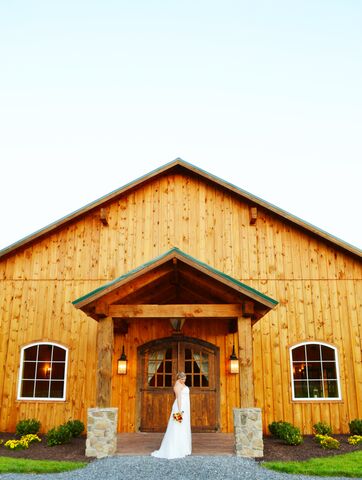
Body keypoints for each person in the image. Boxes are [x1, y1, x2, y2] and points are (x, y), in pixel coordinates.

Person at [151, 371, 192, 459]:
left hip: (185, 407)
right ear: (178, 378)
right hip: (178, 408)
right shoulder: (177, 386)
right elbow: (178, 398)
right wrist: (180, 410)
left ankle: (184, 448)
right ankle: (175, 448)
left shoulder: (183, 384)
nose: (184, 381)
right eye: (182, 379)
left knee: (183, 426)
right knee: (177, 426)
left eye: (185, 379)